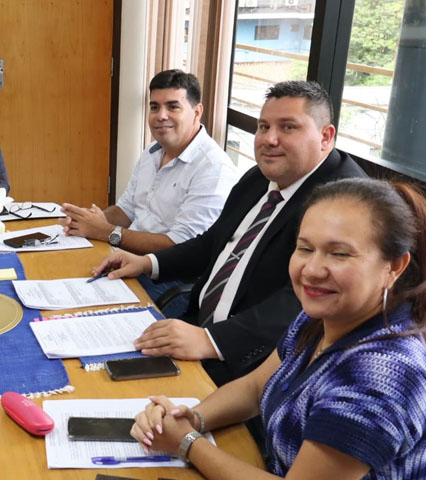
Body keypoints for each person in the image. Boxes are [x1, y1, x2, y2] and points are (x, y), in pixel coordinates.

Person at [132, 178, 426, 480]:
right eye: (305, 248)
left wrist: (187, 442)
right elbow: (256, 386)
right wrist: (191, 417)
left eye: (339, 254)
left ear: (394, 267)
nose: (313, 269)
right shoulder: (319, 319)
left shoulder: (381, 375)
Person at [95, 81, 367, 386]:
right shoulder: (260, 176)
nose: (269, 139)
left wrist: (211, 340)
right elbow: (213, 242)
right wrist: (147, 263)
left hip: (253, 360)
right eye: (263, 127)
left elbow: (306, 299)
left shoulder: (344, 201)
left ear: (325, 137)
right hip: (199, 326)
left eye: (288, 127)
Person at [61, 70, 236, 257]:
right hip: (124, 255)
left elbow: (181, 246)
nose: (161, 116)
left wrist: (105, 231)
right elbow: (126, 210)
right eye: (154, 107)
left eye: (173, 107)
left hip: (164, 270)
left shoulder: (213, 169)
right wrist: (87, 220)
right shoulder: (153, 151)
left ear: (197, 112)